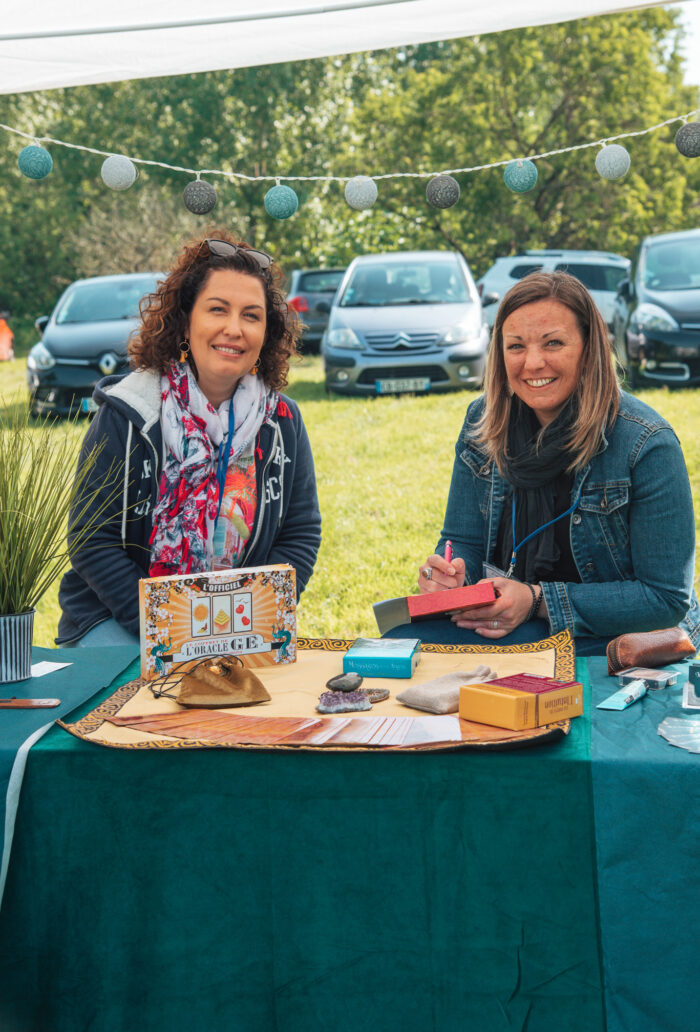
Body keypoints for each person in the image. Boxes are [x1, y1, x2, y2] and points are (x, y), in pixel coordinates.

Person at [403, 271, 699, 656]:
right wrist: (452, 576)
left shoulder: (645, 442)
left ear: (589, 348)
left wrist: (538, 600)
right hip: (508, 633)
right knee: (398, 646)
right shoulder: (482, 423)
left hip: (613, 646)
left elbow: (665, 599)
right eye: (516, 347)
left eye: (553, 343)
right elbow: (463, 541)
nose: (533, 363)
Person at [57, 234, 321, 647]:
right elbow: (92, 540)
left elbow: (300, 533)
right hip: (121, 621)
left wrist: (251, 619)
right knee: (159, 701)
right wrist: (172, 629)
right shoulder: (128, 413)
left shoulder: (283, 421)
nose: (233, 329)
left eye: (251, 316)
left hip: (239, 626)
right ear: (185, 321)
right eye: (218, 310)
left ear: (266, 333)